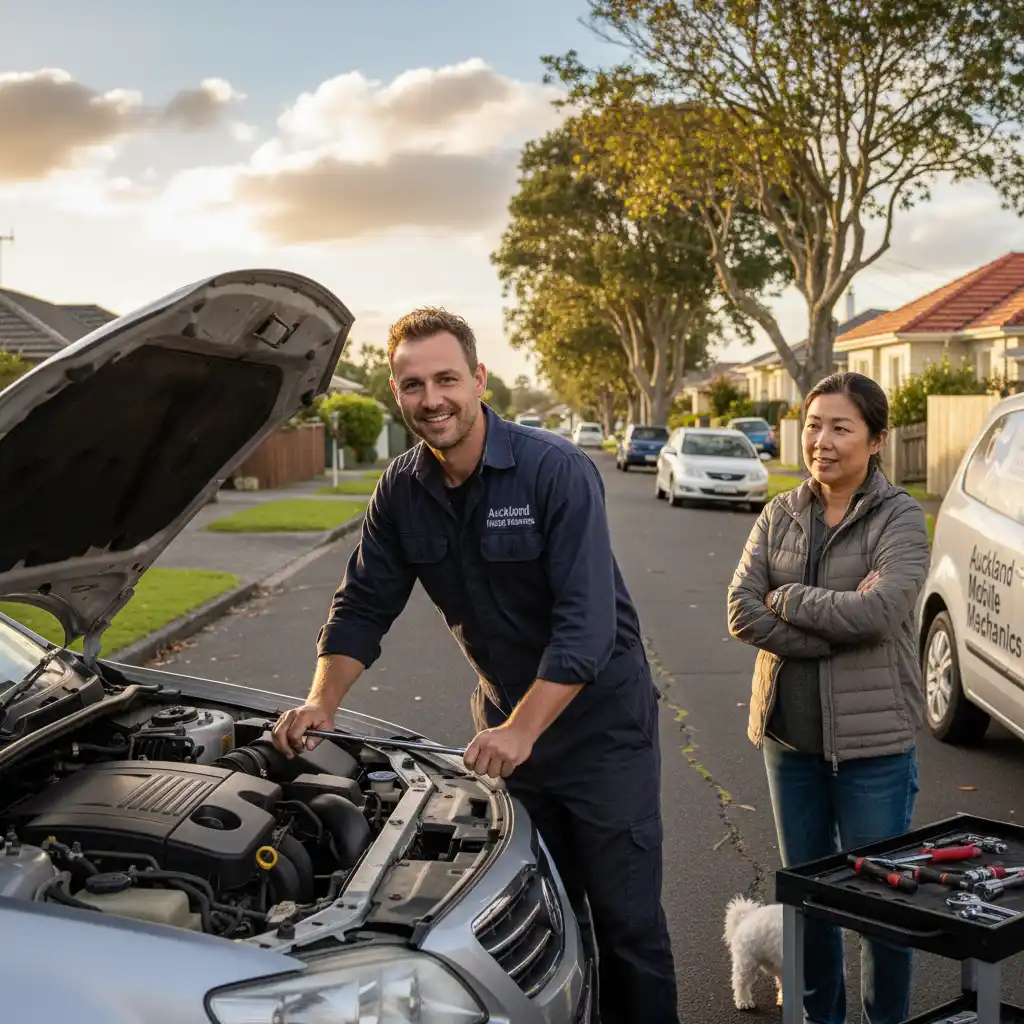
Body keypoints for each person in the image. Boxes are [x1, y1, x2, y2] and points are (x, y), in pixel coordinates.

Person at [272, 308, 679, 1024]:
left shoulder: (555, 473)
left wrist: (524, 730)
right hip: (507, 736)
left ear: (479, 380)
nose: (432, 399)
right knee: (538, 922)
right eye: (412, 384)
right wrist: (321, 704)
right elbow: (362, 605)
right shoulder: (400, 490)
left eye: (446, 379)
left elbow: (586, 628)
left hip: (600, 734)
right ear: (396, 394)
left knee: (627, 928)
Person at [726, 371, 931, 1024]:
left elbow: (882, 611)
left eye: (840, 427)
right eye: (814, 425)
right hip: (791, 744)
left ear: (875, 439)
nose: (822, 440)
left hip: (874, 750)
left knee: (881, 910)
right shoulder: (780, 512)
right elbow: (739, 611)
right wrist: (828, 633)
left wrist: (788, 601)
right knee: (810, 904)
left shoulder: (900, 517)